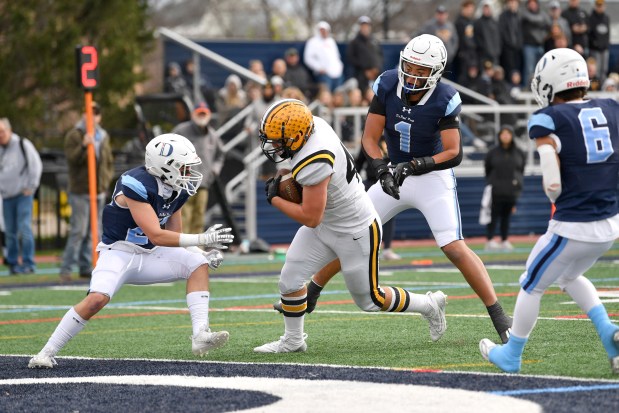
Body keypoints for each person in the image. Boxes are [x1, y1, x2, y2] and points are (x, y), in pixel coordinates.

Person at [281, 34, 513, 344]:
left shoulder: (445, 97)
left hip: (432, 176)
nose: (413, 75)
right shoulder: (388, 83)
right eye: (410, 66)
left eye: (421, 70)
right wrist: (380, 168)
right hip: (394, 173)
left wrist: (416, 166)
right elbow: (369, 138)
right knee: (354, 232)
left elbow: (453, 152)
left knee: (453, 246)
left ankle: (498, 315)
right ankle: (312, 291)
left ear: (436, 73)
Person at [255, 99, 447, 353]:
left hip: (355, 230)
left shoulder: (315, 158)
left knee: (370, 300)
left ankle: (429, 304)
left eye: (279, 140)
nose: (275, 145)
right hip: (328, 222)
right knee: (289, 280)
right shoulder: (316, 126)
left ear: (299, 134)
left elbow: (310, 216)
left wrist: (276, 198)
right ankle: (293, 341)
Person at [28, 133, 234, 368]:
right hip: (119, 252)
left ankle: (200, 336)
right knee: (97, 299)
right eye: (184, 167)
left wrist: (200, 251)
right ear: (165, 167)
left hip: (151, 253)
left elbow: (173, 236)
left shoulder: (177, 187)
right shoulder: (134, 183)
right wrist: (202, 237)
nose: (189, 173)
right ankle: (46, 352)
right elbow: (156, 233)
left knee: (197, 264)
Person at [480, 48, 619, 374]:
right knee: (569, 276)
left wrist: (554, 187)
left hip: (573, 225)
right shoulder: (612, 108)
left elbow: (552, 180)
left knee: (531, 283)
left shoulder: (549, 118)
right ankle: (610, 336)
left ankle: (512, 354)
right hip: (610, 225)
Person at [59, 102, 115, 281]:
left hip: (98, 190)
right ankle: (66, 268)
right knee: (79, 231)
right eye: (90, 113)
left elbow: (108, 161)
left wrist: (105, 181)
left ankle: (86, 266)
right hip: (81, 190)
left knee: (95, 231)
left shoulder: (103, 135)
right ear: (83, 115)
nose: (93, 117)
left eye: (96, 113)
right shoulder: (75, 135)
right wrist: (83, 146)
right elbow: (71, 159)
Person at [172, 102, 225, 234]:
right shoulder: (181, 130)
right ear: (193, 114)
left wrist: (215, 169)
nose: (201, 116)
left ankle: (196, 248)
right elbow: (169, 148)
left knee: (199, 217)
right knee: (184, 216)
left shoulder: (213, 136)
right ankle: (182, 247)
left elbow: (220, 154)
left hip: (203, 183)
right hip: (184, 183)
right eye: (199, 113)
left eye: (204, 113)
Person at [0, 118, 42, 275]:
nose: (1, 135)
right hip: (6, 196)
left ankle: (28, 263)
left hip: (23, 195)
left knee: (24, 228)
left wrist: (31, 186)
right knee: (9, 232)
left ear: (9, 130)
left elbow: (36, 165)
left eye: (2, 131)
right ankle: (12, 263)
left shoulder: (22, 144)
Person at [484, 126, 526, 252]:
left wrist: (517, 186)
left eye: (508, 133)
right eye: (503, 134)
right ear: (499, 136)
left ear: (512, 136)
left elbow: (521, 171)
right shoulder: (492, 152)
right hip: (496, 190)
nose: (506, 136)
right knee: (493, 216)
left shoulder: (519, 152)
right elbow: (487, 170)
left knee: (506, 217)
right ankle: (490, 240)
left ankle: (504, 240)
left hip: (511, 191)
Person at [346, 16, 384, 95]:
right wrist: (365, 70)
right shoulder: (354, 42)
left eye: (367, 26)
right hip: (361, 76)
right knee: (364, 94)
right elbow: (350, 58)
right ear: (360, 27)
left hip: (376, 74)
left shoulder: (374, 41)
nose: (365, 28)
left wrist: (376, 69)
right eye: (363, 26)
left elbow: (380, 56)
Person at [417, 6, 458, 78]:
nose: (441, 16)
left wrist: (452, 53)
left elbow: (455, 40)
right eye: (439, 14)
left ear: (446, 15)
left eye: (443, 14)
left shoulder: (450, 26)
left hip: (447, 60)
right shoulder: (429, 25)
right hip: (434, 61)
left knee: (445, 80)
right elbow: (419, 34)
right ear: (436, 15)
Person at [303, 21, 344, 92]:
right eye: (322, 30)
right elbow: (308, 58)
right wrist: (319, 68)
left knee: (338, 94)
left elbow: (337, 56)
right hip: (324, 75)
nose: (324, 32)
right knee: (326, 94)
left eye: (325, 30)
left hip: (337, 74)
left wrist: (340, 67)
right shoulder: (313, 42)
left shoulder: (331, 41)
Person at [454, 0, 479, 83]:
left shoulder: (471, 21)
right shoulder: (459, 22)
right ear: (463, 8)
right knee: (463, 78)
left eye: (472, 9)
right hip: (463, 54)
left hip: (471, 54)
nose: (470, 11)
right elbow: (460, 39)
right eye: (468, 8)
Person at [498, 0, 523, 79]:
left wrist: (519, 44)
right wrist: (509, 43)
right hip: (507, 48)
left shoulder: (519, 16)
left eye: (514, 2)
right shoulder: (503, 16)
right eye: (511, 2)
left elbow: (520, 32)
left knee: (517, 69)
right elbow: (502, 32)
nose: (512, 4)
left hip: (518, 48)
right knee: (508, 69)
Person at [588, 0, 610, 85]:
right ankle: (595, 87)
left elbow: (607, 33)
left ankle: (602, 86)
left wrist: (606, 45)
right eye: (598, 5)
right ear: (595, 6)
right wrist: (595, 44)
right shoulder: (591, 18)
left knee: (604, 69)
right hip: (595, 49)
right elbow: (589, 34)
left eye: (601, 5)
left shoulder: (606, 18)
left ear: (604, 6)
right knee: (595, 71)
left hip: (604, 49)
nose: (600, 7)